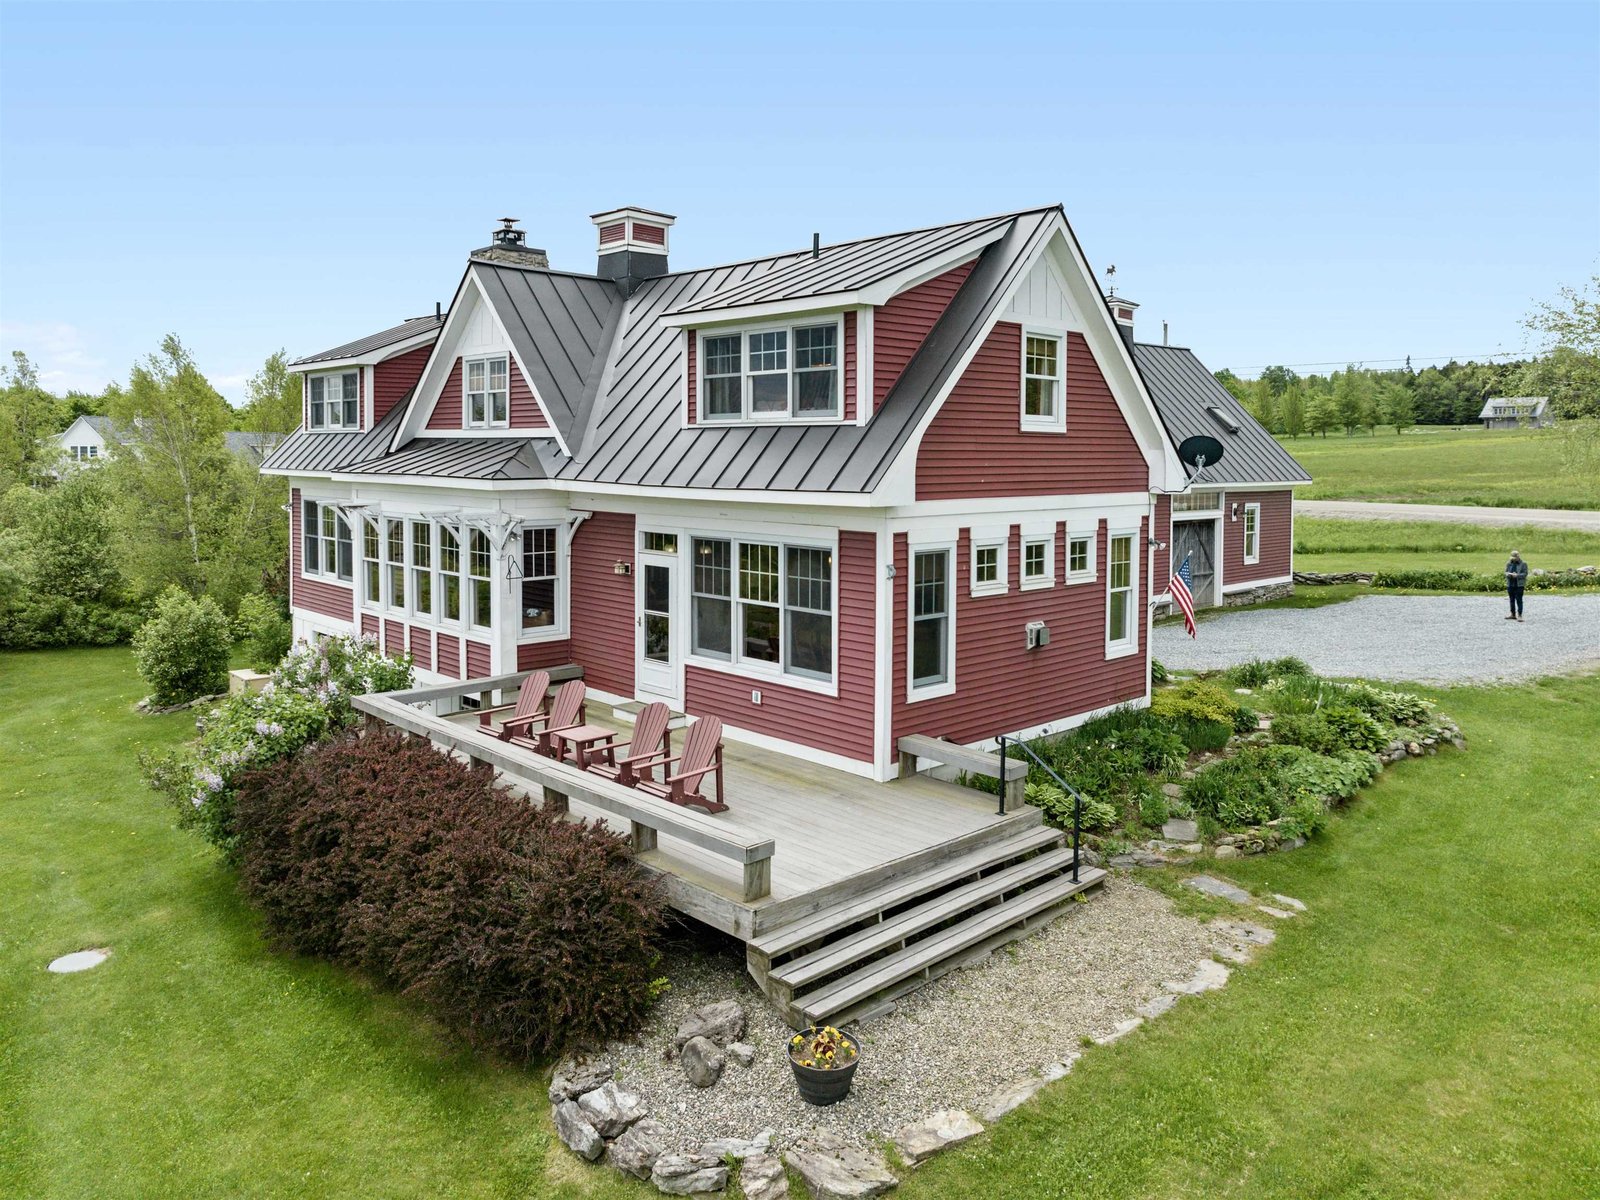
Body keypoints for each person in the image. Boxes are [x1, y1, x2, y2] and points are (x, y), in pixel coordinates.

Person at [1504, 550, 1529, 622]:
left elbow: (1525, 574)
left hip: (1519, 585)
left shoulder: (1523, 564)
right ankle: (1512, 614)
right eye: (1512, 558)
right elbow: (1505, 572)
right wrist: (1508, 574)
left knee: (1519, 600)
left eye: (1515, 558)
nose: (1513, 559)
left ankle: (1520, 615)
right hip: (1510, 584)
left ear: (1518, 556)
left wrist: (1517, 575)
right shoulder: (1509, 563)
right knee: (1511, 600)